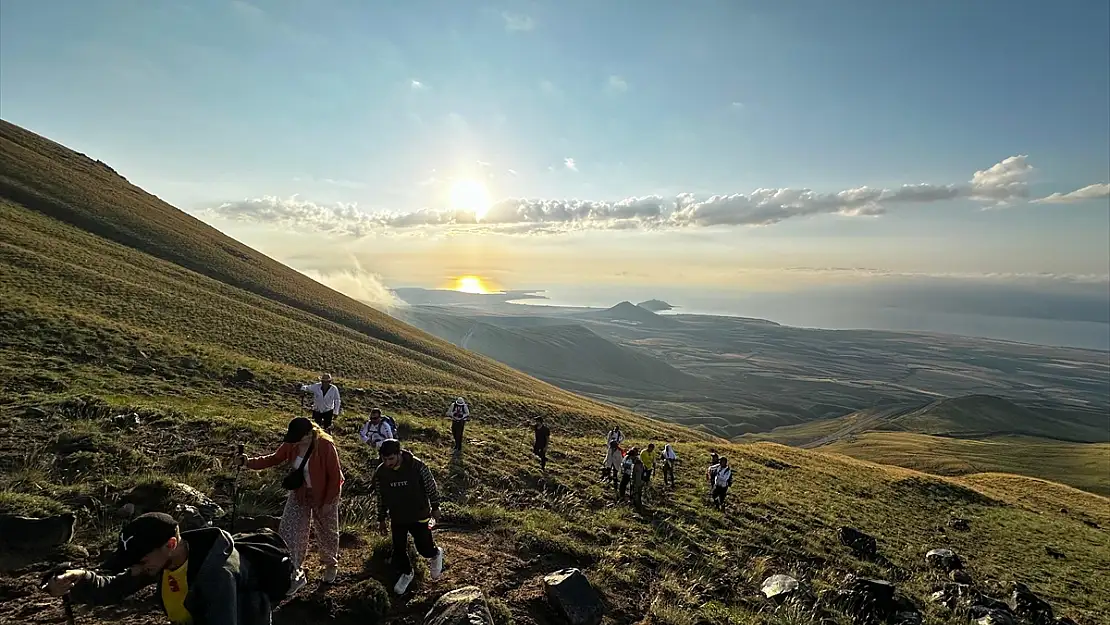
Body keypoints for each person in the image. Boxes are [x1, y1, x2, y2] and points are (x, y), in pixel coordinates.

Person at [43, 512, 274, 624]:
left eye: (141, 561)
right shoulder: (162, 560)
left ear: (171, 544)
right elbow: (114, 587)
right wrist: (80, 579)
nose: (137, 567)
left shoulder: (217, 575)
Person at [239, 417, 343, 588]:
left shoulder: (325, 446)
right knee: (290, 528)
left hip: (324, 494)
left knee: (327, 531)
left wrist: (328, 503)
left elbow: (335, 477)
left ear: (309, 434)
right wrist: (248, 462)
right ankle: (294, 568)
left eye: (298, 438)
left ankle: (330, 564)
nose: (295, 442)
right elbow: (273, 458)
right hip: (300, 492)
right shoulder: (292, 443)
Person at [374, 439, 445, 595]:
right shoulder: (381, 473)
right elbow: (381, 497)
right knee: (398, 550)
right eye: (384, 459)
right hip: (397, 516)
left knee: (424, 549)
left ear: (399, 454)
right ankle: (407, 573)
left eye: (391, 459)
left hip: (419, 514)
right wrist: (381, 519)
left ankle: (436, 553)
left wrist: (435, 507)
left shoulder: (417, 466)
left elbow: (430, 486)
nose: (387, 463)